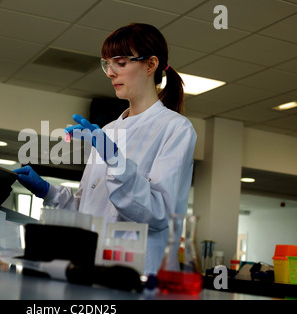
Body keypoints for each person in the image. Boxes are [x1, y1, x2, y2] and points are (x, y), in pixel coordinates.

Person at [14, 23, 197, 275]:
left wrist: (115, 160)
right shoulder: (108, 130)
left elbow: (158, 214)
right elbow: (88, 210)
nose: (110, 72)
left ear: (151, 64)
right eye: (107, 63)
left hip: (136, 273)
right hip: (90, 264)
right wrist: (49, 193)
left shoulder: (176, 129)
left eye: (120, 63)